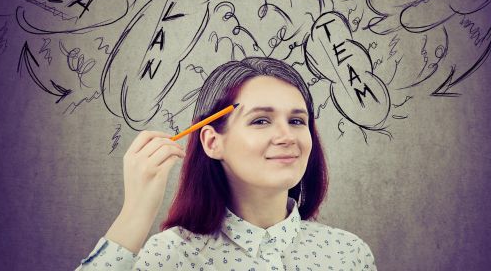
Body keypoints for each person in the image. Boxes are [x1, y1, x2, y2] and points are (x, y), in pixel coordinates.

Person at [76, 56, 377, 270]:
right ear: (212, 142)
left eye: (297, 120)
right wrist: (134, 215)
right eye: (261, 120)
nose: (287, 136)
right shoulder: (170, 255)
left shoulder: (348, 253)